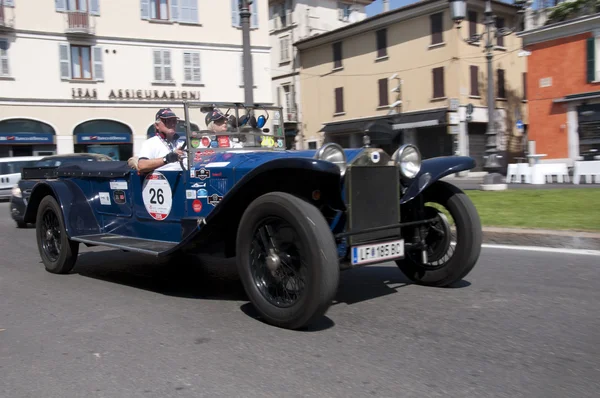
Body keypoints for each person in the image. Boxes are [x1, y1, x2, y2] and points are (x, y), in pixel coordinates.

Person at [137, 108, 186, 173]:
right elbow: (141, 165)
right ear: (157, 125)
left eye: (174, 121)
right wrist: (167, 159)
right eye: (167, 121)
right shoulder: (150, 143)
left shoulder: (182, 143)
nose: (172, 124)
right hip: (161, 181)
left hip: (185, 179)